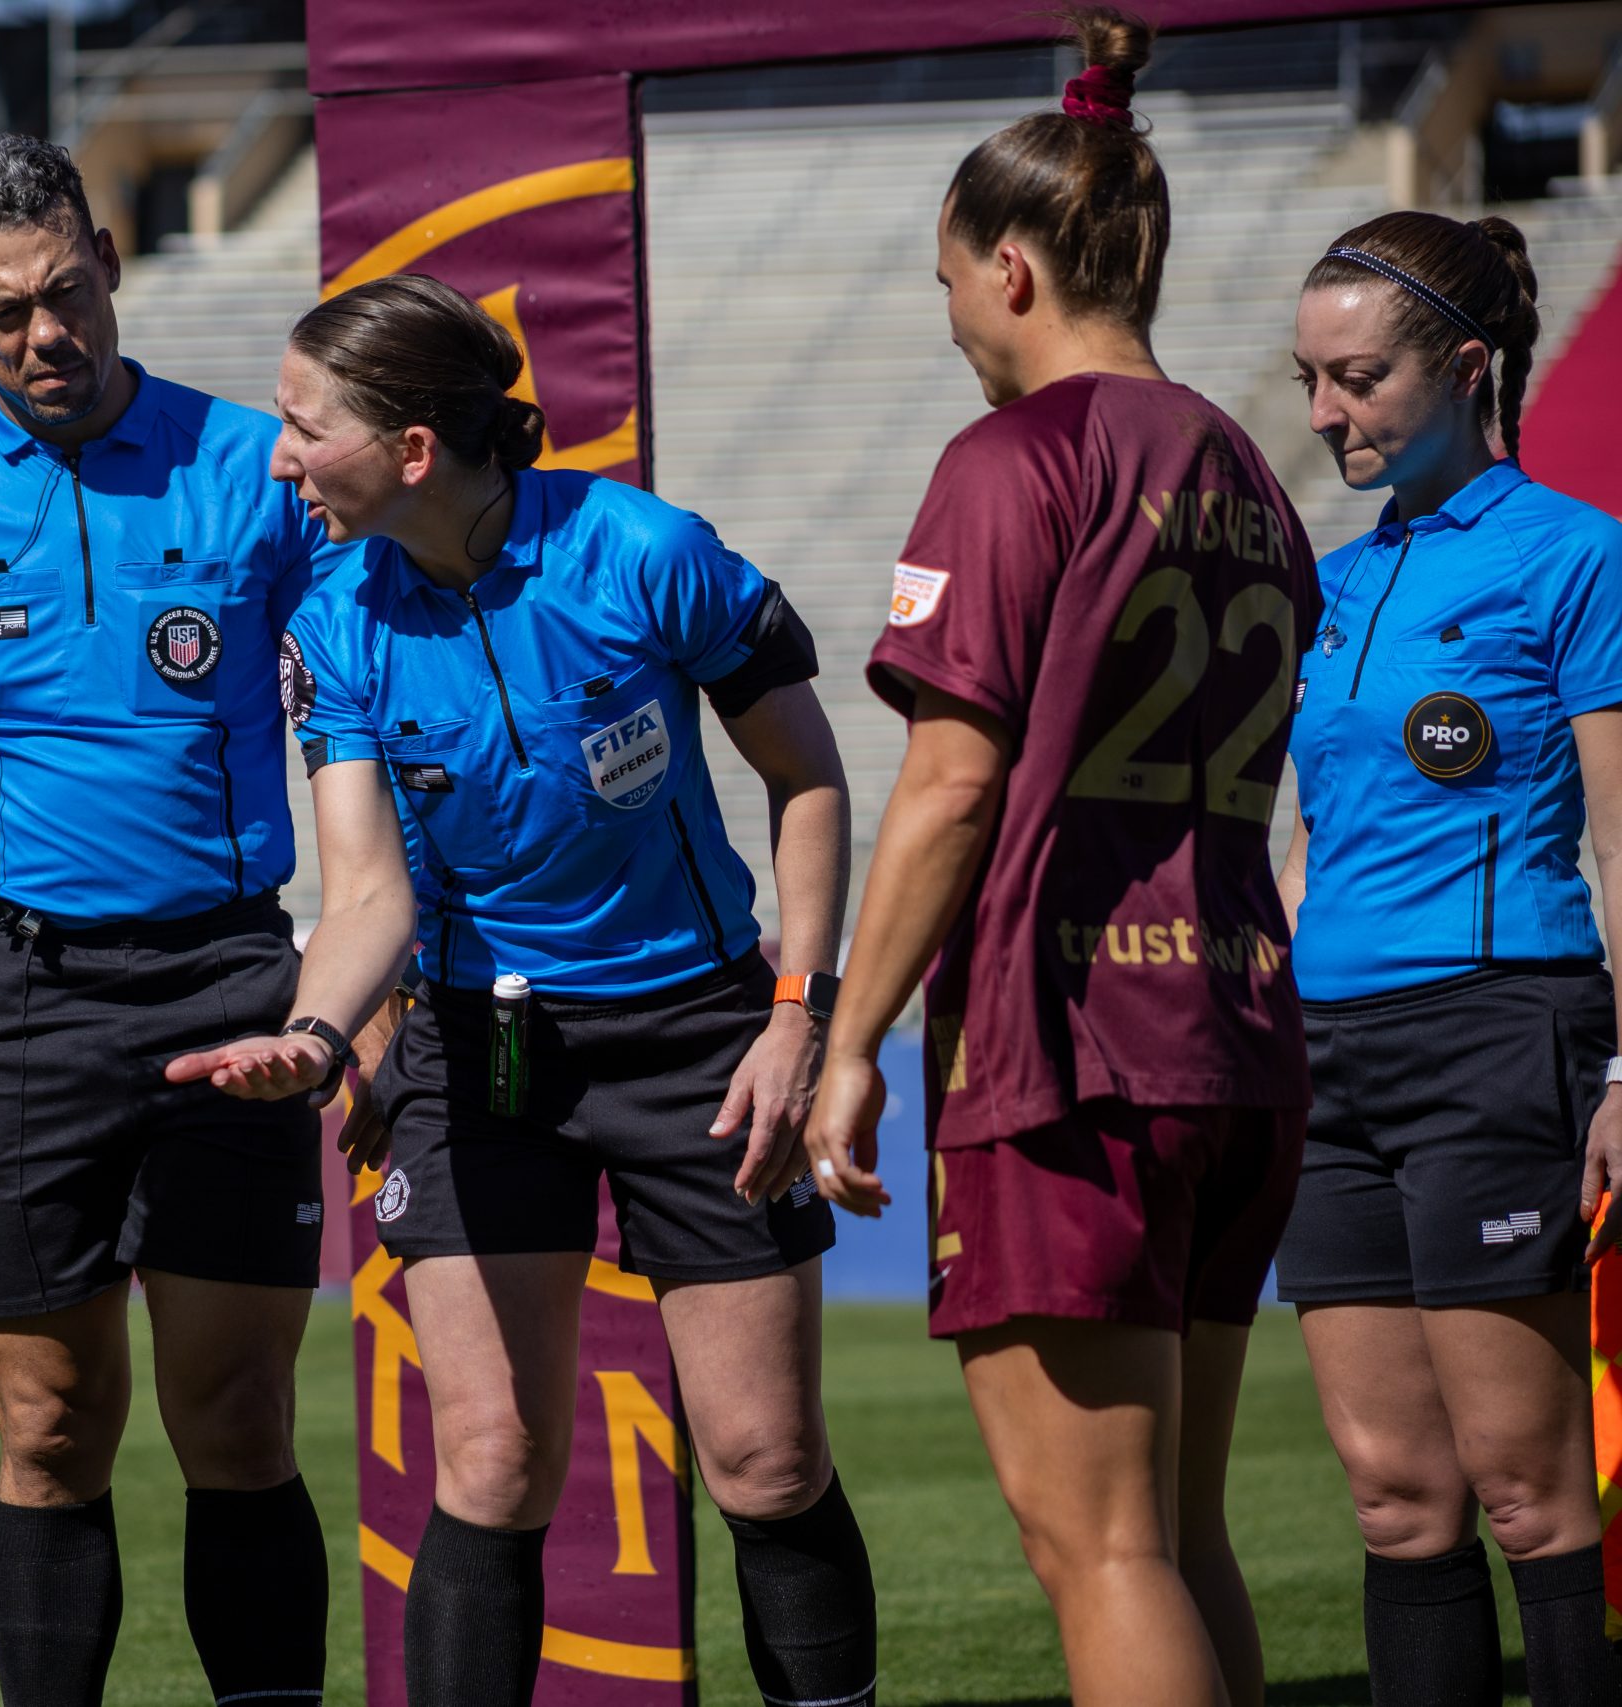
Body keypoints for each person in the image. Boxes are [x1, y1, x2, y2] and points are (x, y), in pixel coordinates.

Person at [173, 272, 874, 1707]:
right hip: (477, 1054)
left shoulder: (647, 551)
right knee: (492, 1461)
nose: (280, 458)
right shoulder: (335, 618)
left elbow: (807, 778)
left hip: (699, 1035)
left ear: (413, 451)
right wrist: (316, 1037)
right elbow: (370, 892)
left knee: (768, 1461)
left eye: (306, 427)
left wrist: (797, 1015)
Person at [801, 13, 1314, 1707]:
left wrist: (846, 1036)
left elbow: (951, 786)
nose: (948, 313)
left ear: (1012, 268)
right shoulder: (1248, 467)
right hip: (1236, 1026)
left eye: (950, 277)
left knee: (1098, 1550)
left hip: (1069, 1050)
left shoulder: (1015, 460)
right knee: (1173, 1534)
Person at [0, 134, 336, 1707]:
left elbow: (355, 723)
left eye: (66, 292)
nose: (45, 335)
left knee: (236, 1424)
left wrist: (383, 970)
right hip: (17, 995)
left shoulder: (257, 469)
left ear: (106, 256)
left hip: (235, 973)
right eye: (3, 312)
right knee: (46, 1425)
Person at [1276, 209, 1622, 1706]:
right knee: (1394, 1499)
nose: (1323, 415)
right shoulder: (1332, 585)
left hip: (1499, 1035)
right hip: (1326, 1058)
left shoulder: (1580, 556)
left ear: (1468, 369)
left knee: (1526, 1490)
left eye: (1356, 379)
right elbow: (1310, 839)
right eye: (1309, 379)